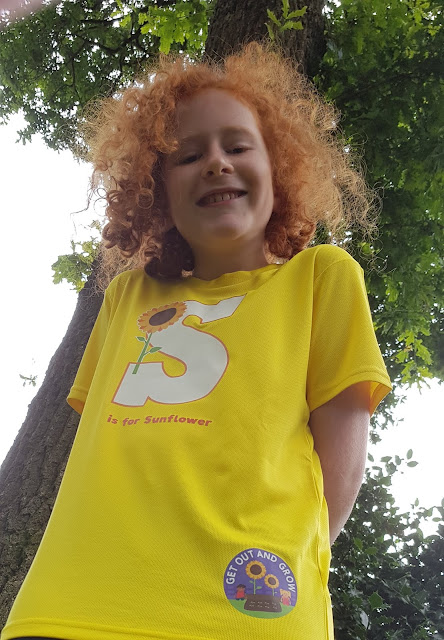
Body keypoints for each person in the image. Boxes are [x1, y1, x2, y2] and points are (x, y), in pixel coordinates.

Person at [2, 41, 392, 640]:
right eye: (188, 155)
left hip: (242, 609)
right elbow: (101, 448)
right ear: (157, 190)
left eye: (238, 146)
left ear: (280, 168)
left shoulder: (322, 279)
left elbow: (339, 469)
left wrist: (277, 572)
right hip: (72, 603)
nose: (216, 162)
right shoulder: (126, 297)